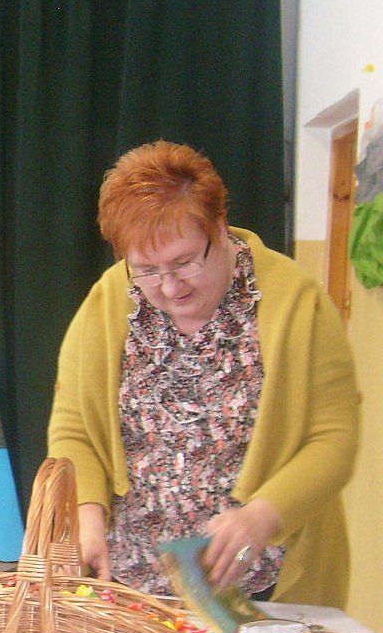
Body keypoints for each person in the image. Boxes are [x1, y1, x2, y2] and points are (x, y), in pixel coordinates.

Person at [48, 140, 359, 607]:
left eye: (184, 261)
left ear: (219, 226)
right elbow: (74, 427)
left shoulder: (297, 301)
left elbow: (334, 438)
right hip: (133, 584)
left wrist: (263, 516)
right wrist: (87, 512)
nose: (170, 287)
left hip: (262, 586)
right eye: (146, 270)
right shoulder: (109, 300)